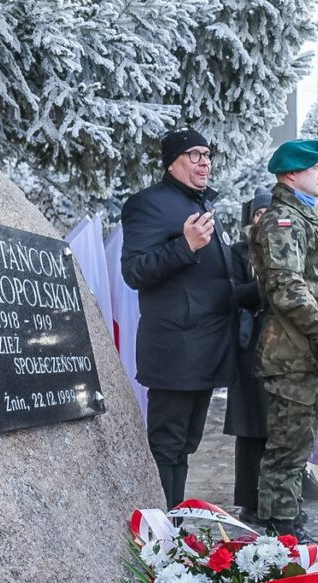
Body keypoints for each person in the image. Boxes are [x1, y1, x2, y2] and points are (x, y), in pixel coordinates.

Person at [121, 127, 237, 511]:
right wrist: (184, 246)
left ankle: (173, 524)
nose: (205, 161)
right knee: (167, 446)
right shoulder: (148, 204)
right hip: (175, 351)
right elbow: (135, 271)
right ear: (172, 161)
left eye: (207, 154)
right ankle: (159, 534)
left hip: (206, 350)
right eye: (195, 155)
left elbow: (214, 280)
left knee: (185, 446)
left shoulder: (201, 205)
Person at [248, 139, 318, 538]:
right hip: (294, 352)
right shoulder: (282, 222)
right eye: (315, 168)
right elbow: (288, 290)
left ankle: (286, 519)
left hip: (310, 352)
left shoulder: (305, 218)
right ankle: (279, 529)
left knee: (300, 447)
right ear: (292, 174)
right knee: (286, 452)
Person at [224, 188, 271, 525]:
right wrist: (269, 285)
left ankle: (278, 498)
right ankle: (248, 500)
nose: (264, 219)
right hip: (249, 347)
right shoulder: (238, 253)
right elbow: (232, 295)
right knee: (251, 428)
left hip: (285, 351)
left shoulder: (290, 251)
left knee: (280, 430)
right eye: (258, 213)